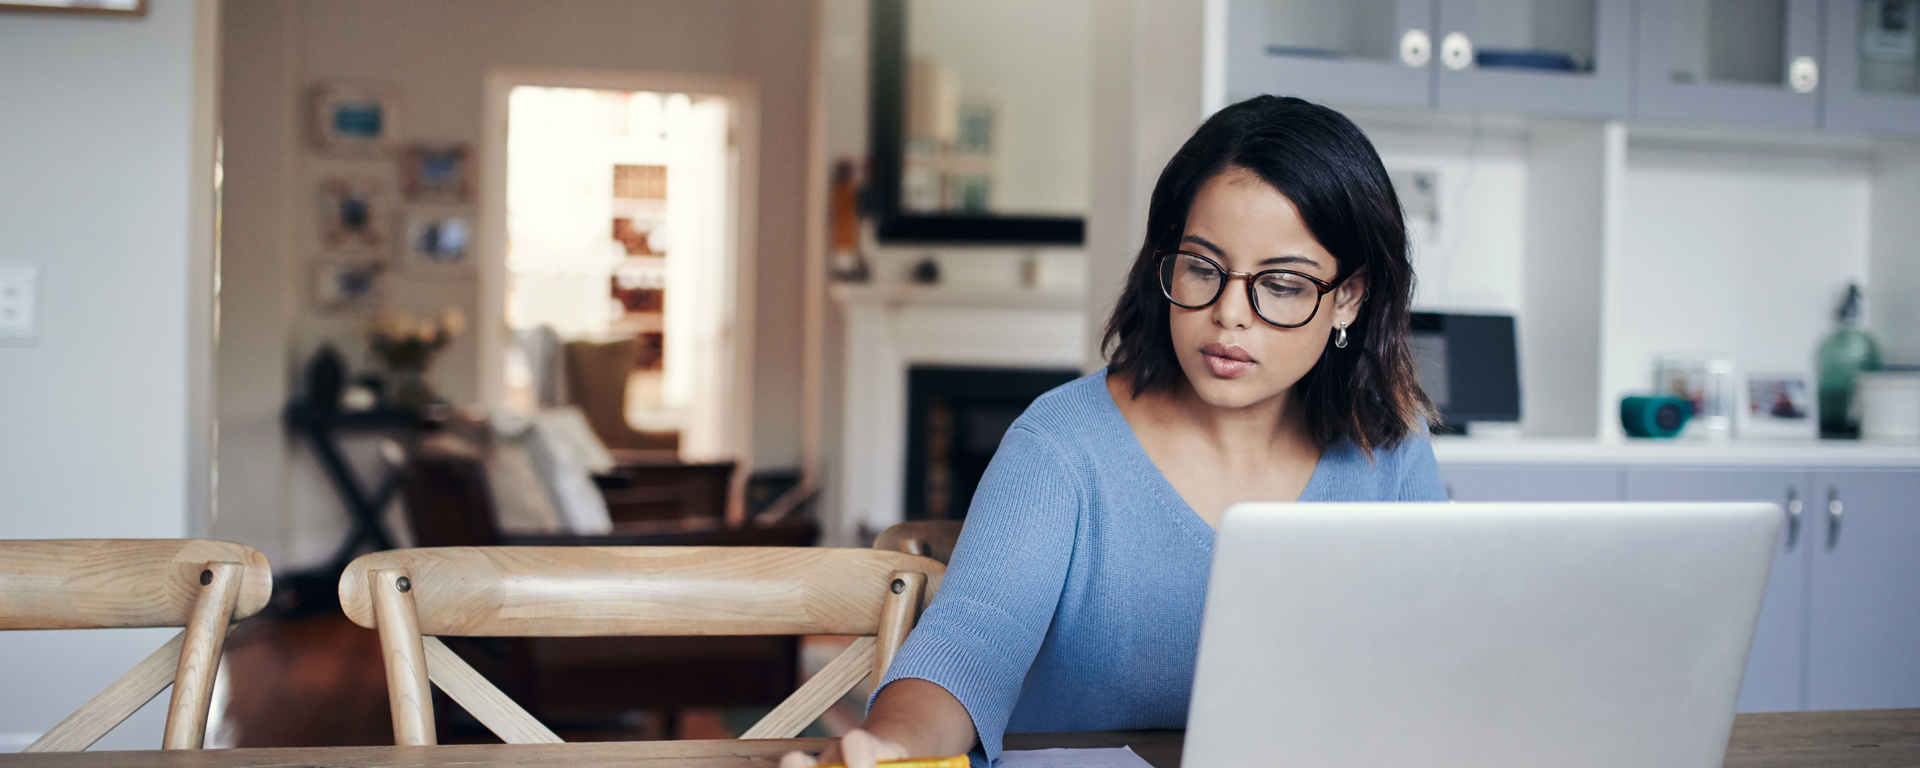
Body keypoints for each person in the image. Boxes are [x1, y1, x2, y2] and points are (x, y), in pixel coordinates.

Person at [784, 95, 1445, 768]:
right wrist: (889, 744)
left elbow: (1438, 665)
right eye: (1202, 267)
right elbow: (968, 647)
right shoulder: (1061, 446)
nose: (1228, 316)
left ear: (1350, 297)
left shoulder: (1389, 447)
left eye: (1280, 284)